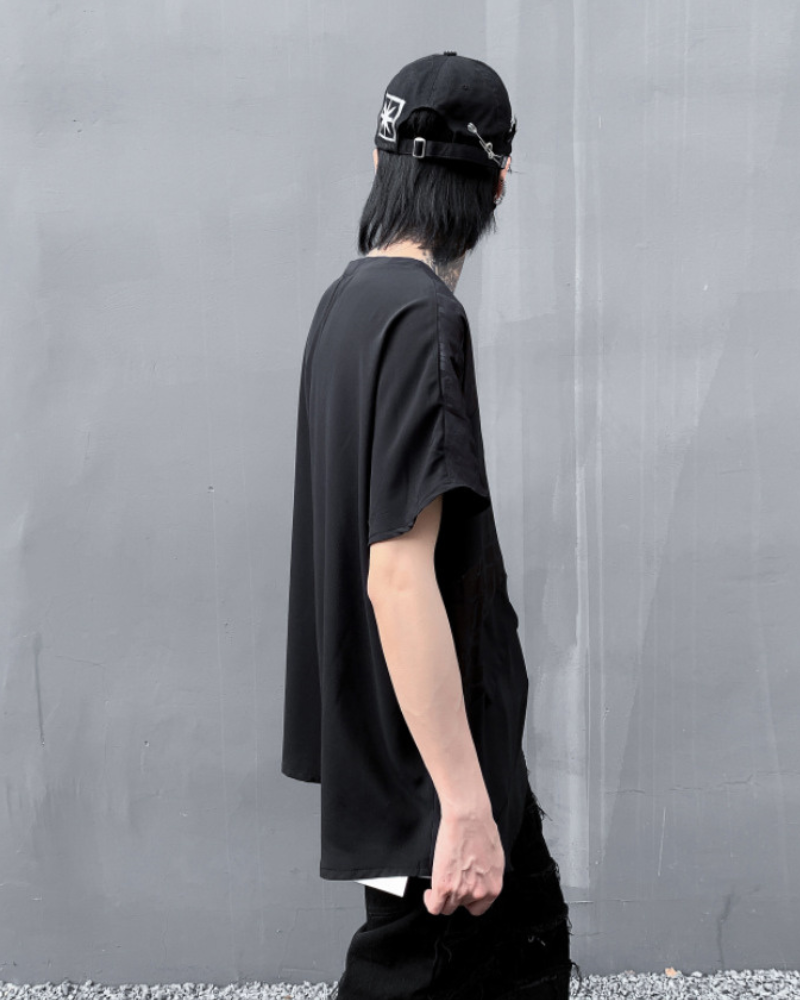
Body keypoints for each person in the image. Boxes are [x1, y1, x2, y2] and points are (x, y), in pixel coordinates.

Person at [282, 52, 582, 999]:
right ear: (497, 184)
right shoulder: (424, 321)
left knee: (509, 946)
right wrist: (462, 803)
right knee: (436, 971)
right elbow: (398, 575)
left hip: (394, 744)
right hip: (434, 769)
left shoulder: (347, 304)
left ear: (381, 164)